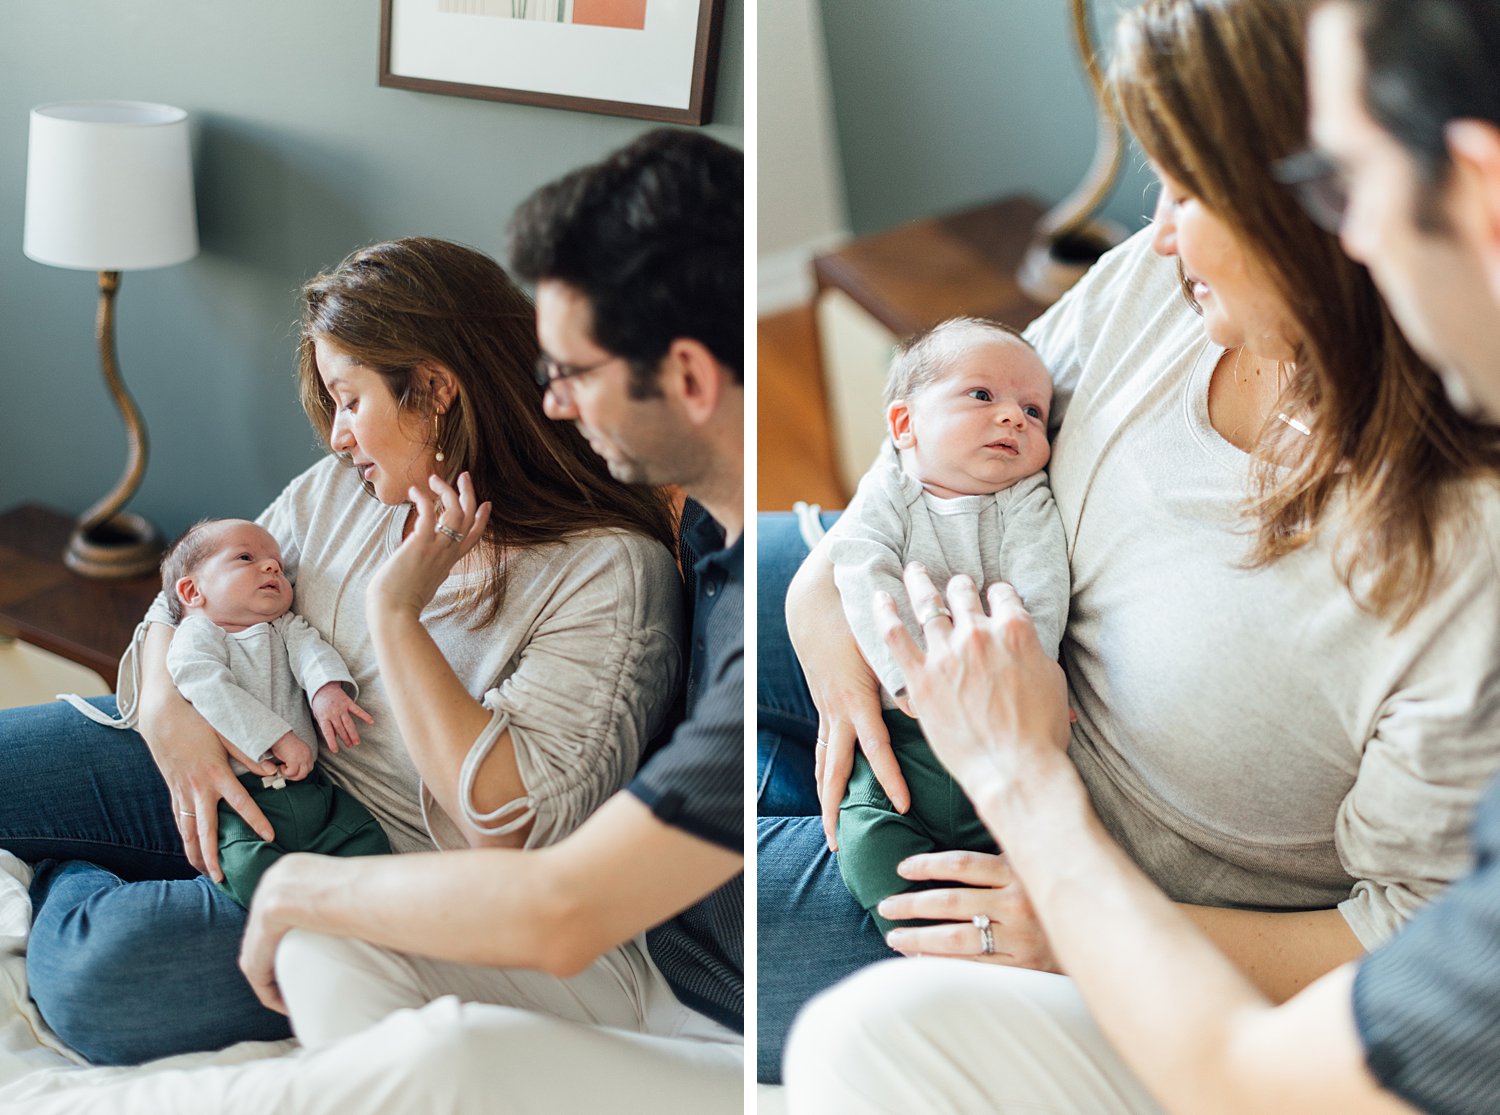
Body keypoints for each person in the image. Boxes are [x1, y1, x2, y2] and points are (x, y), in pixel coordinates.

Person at [758, 0, 1500, 1088]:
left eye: (1195, 189)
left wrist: (1056, 905)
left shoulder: (1459, 572)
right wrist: (824, 595)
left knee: (688, 881)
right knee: (726, 587)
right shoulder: (1163, 286)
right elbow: (963, 414)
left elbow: (1403, 951)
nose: (1156, 229)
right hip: (946, 644)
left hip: (1054, 874)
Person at [8, 128, 745, 1114]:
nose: (335, 433)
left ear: (437, 388)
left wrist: (398, 612)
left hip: (368, 856)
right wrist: (171, 726)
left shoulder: (609, 574)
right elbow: (179, 599)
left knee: (103, 973)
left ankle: (50, 870)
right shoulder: (341, 490)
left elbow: (512, 836)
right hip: (224, 744)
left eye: (350, 399)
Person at [824, 318, 1067, 934]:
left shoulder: (1024, 500)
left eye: (1034, 411)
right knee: (868, 839)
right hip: (902, 742)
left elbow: (1041, 594)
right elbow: (862, 570)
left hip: (1004, 732)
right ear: (905, 425)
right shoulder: (890, 494)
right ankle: (922, 937)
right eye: (982, 396)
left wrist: (1025, 671)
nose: (1014, 417)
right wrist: (908, 679)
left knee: (1046, 841)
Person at [61, 518, 389, 908]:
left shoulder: (283, 626)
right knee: (244, 866)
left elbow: (310, 651)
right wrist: (278, 738)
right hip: (240, 800)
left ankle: (361, 903)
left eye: (278, 567)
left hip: (311, 791)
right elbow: (210, 686)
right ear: (192, 591)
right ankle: (297, 911)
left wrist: (325, 690)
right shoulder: (196, 637)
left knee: (364, 836)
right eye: (247, 558)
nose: (271, 568)